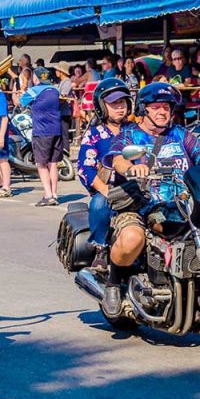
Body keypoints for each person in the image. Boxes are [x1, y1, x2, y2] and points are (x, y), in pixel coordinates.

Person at [102, 83, 200, 316]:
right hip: (141, 204)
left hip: (184, 203)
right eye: (156, 107)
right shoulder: (129, 134)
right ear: (143, 109)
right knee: (132, 238)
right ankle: (113, 284)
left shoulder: (180, 134)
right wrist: (132, 168)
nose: (163, 112)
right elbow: (118, 159)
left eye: (166, 107)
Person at [77, 79, 133, 269]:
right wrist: (104, 190)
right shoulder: (94, 134)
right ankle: (100, 247)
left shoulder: (135, 130)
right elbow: (85, 168)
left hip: (137, 185)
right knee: (99, 205)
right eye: (114, 103)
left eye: (122, 102)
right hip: (109, 188)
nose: (120, 107)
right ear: (102, 106)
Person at [23, 67, 64, 206]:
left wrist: (22, 90)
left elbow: (19, 102)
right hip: (56, 130)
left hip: (41, 131)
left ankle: (48, 195)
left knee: (41, 164)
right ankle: (54, 194)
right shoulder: (55, 90)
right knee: (53, 163)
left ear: (36, 78)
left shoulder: (34, 90)